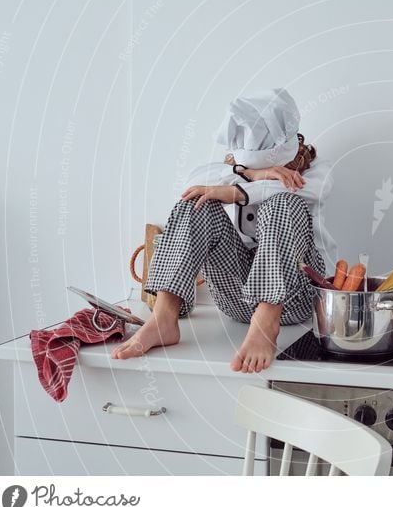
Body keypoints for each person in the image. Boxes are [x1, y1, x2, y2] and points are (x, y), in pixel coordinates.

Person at [111, 89, 336, 373]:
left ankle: (267, 321)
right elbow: (194, 183)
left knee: (283, 204)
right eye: (256, 167)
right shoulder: (228, 172)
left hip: (296, 299)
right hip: (237, 301)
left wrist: (237, 193)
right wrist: (252, 176)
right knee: (198, 201)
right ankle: (164, 318)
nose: (268, 173)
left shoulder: (316, 173)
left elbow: (303, 189)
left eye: (270, 167)